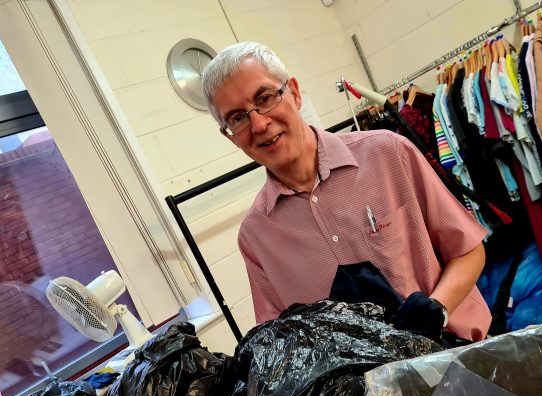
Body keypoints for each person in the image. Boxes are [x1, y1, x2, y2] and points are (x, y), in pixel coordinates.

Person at [201, 42, 491, 341]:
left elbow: (467, 250)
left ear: (295, 93)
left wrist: (435, 311)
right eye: (237, 118)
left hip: (459, 358)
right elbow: (279, 339)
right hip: (363, 387)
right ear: (230, 137)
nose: (259, 123)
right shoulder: (256, 237)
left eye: (265, 98)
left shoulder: (389, 153)